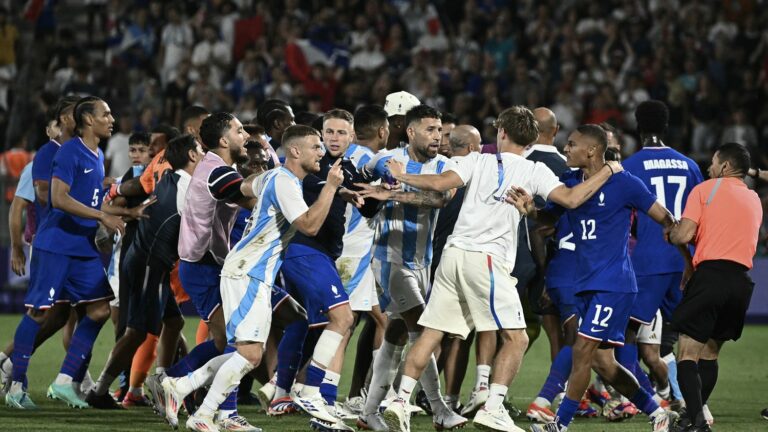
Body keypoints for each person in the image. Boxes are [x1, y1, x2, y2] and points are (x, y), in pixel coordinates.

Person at [381, 108, 620, 432]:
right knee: (517, 339)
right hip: (487, 259)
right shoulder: (533, 170)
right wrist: (608, 171)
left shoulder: (475, 160)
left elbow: (440, 183)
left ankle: (399, 400)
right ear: (531, 138)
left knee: (432, 333)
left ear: (502, 132)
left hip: (453, 256)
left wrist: (403, 175)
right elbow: (572, 199)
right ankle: (493, 407)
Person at [163, 125, 344, 432]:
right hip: (249, 272)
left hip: (250, 271)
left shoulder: (276, 178)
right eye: (316, 146)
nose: (322, 152)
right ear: (295, 151)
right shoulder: (285, 182)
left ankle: (181, 387)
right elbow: (310, 226)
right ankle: (202, 414)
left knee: (250, 354)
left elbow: (246, 187)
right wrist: (330, 187)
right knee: (248, 354)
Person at [511, 124, 675, 432]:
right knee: (604, 363)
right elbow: (551, 219)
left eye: (571, 144)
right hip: (584, 282)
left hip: (613, 283)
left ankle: (559, 423)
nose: (566, 149)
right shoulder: (572, 182)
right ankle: (657, 412)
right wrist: (530, 210)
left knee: (581, 350)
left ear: (591, 150)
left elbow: (663, 216)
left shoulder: (625, 183)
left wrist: (675, 232)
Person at [4, 97, 135, 410]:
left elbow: (88, 202)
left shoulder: (98, 154)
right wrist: (102, 217)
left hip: (82, 248)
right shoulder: (68, 152)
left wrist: (123, 211)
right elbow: (58, 199)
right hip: (56, 245)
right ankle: (16, 384)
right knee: (39, 312)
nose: (112, 118)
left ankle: (65, 381)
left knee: (100, 309)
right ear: (88, 119)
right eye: (106, 113)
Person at [354, 105, 465, 431]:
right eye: (430, 129)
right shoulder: (387, 159)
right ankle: (439, 409)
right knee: (423, 331)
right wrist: (378, 191)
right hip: (390, 258)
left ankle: (369, 412)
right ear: (411, 131)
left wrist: (395, 193)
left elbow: (441, 199)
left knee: (397, 333)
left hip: (423, 261)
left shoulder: (445, 165)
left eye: (439, 130)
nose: (437, 136)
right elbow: (365, 177)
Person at [86, 135, 202, 409]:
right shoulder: (188, 190)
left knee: (174, 322)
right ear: (191, 156)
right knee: (137, 331)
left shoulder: (167, 181)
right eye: (199, 150)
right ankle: (101, 390)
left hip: (145, 258)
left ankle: (161, 379)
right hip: (151, 262)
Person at [668, 142, 762, 432]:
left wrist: (672, 233)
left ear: (723, 166)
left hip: (711, 276)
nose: (709, 168)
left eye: (712, 162)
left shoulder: (705, 189)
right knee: (710, 353)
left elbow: (683, 234)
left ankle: (697, 423)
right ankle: (692, 418)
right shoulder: (754, 198)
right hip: (741, 283)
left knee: (686, 353)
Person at [621, 100, 704, 412]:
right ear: (667, 126)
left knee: (624, 334)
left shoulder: (631, 165)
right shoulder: (690, 165)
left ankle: (645, 399)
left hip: (647, 261)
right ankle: (692, 402)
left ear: (638, 126)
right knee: (686, 337)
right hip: (685, 261)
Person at [335, 104, 390, 415]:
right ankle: (318, 392)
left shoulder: (344, 155)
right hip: (353, 250)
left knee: (378, 320)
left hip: (347, 249)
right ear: (382, 131)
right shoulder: (372, 160)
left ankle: (365, 396)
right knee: (344, 323)